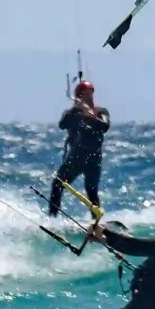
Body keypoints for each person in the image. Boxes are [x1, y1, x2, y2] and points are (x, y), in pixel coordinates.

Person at [48, 79, 109, 217]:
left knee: (91, 191)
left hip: (93, 158)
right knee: (58, 184)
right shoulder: (73, 113)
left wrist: (89, 115)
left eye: (90, 94)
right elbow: (62, 124)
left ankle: (96, 222)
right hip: (76, 157)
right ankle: (52, 218)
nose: (89, 97)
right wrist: (77, 109)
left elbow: (105, 126)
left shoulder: (100, 111)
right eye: (85, 94)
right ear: (79, 96)